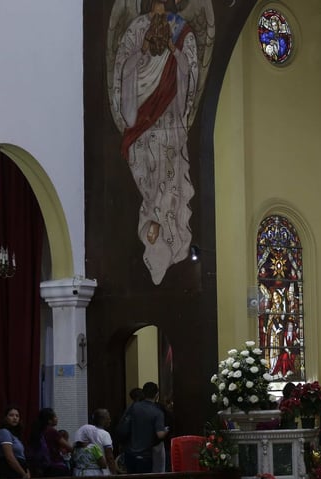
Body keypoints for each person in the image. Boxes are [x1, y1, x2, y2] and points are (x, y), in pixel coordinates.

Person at [111, 0, 209, 285]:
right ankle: (156, 226)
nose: (159, 9)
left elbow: (188, 72)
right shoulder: (135, 28)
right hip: (141, 123)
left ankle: (167, 232)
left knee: (168, 177)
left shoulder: (183, 31)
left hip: (169, 122)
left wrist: (171, 50)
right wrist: (142, 52)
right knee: (148, 178)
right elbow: (123, 67)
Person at [119, 381, 169, 474]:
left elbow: (124, 425)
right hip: (145, 455)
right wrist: (166, 430)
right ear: (157, 394)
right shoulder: (157, 412)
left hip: (129, 453)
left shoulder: (133, 407)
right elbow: (160, 435)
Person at [29, 407, 72, 477]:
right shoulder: (52, 431)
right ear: (49, 421)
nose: (57, 418)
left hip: (43, 469)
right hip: (57, 467)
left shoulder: (38, 432)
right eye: (55, 416)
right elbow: (69, 447)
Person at [0, 406, 30, 479]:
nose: (15, 418)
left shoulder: (14, 435)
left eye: (17, 416)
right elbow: (9, 457)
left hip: (19, 470)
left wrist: (27, 471)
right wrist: (23, 474)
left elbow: (21, 455)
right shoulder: (4, 432)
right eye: (11, 415)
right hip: (10, 472)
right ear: (5, 417)